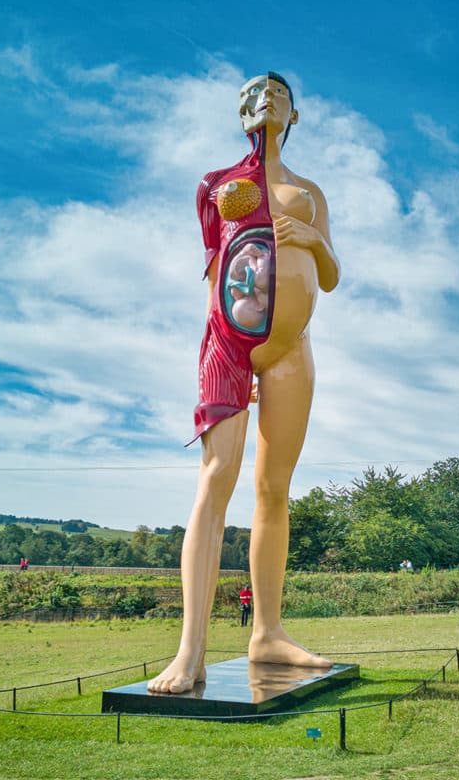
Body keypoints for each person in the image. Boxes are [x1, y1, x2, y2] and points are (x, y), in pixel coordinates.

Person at [148, 72, 340, 694]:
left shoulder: (310, 193)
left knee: (273, 490)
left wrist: (311, 238)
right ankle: (190, 651)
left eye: (279, 96)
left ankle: (268, 633)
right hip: (230, 344)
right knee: (215, 480)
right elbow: (214, 272)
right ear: (243, 115)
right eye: (257, 96)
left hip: (292, 351)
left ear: (295, 114)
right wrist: (223, 349)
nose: (267, 102)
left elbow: (331, 274)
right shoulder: (219, 185)